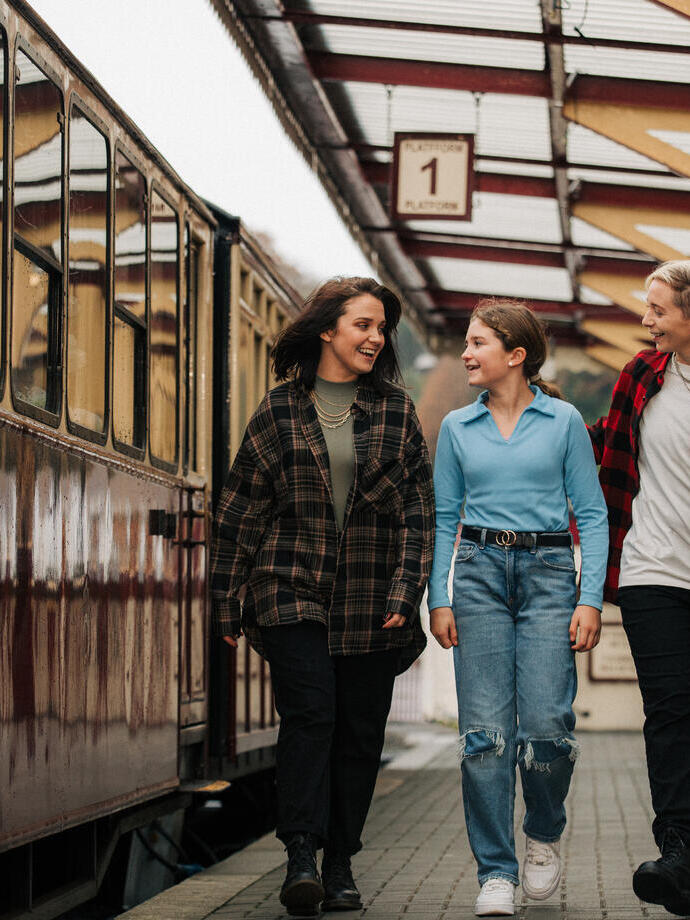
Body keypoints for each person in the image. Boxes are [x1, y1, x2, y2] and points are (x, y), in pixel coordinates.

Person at [211, 276, 434, 917]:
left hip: (372, 597)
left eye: (381, 327)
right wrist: (226, 601)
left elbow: (420, 513)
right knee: (311, 716)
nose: (376, 337)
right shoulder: (280, 409)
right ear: (329, 329)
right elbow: (242, 509)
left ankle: (340, 864)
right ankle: (302, 855)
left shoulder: (395, 410)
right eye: (364, 324)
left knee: (359, 733)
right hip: (290, 590)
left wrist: (406, 588)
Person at [428, 299, 608, 917]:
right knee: (484, 738)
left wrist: (590, 599)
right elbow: (444, 518)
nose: (466, 353)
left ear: (516, 354)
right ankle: (496, 871)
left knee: (546, 732)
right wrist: (439, 596)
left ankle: (544, 835)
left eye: (478, 343)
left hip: (551, 576)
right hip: (477, 575)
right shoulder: (457, 428)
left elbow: (591, 514)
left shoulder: (563, 422)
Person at [589, 260, 690, 917]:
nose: (645, 320)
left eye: (657, 309)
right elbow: (602, 450)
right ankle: (679, 850)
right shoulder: (642, 377)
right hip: (654, 571)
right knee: (671, 715)